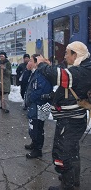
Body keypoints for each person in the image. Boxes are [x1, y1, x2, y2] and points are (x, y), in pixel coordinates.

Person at [36, 41, 91, 190]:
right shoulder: (83, 67)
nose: (65, 56)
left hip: (71, 119)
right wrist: (49, 65)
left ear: (76, 54)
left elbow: (60, 76)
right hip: (72, 118)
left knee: (64, 152)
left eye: (67, 53)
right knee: (72, 150)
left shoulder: (82, 71)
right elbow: (61, 70)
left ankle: (67, 185)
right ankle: (72, 179)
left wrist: (42, 65)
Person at [24, 54, 52, 159]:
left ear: (36, 62)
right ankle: (34, 143)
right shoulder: (36, 72)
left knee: (37, 128)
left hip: (39, 105)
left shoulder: (41, 74)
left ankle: (37, 149)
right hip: (35, 104)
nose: (28, 62)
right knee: (33, 126)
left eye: (31, 60)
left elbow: (40, 90)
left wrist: (30, 98)